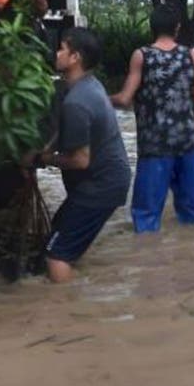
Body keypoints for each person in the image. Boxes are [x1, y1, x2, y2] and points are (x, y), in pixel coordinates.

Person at [110, 6, 194, 233]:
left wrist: (98, 96)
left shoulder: (141, 55)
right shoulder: (193, 57)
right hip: (187, 141)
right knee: (192, 213)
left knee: (147, 215)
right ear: (177, 28)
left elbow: (124, 99)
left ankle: (150, 262)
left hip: (155, 144)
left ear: (152, 27)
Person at [36, 28, 132, 282]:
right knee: (58, 231)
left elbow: (80, 160)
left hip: (100, 186)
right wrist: (47, 147)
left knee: (56, 254)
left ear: (75, 57)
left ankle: (66, 315)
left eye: (62, 49)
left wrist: (44, 159)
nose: (56, 53)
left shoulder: (77, 101)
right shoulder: (89, 84)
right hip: (104, 181)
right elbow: (64, 129)